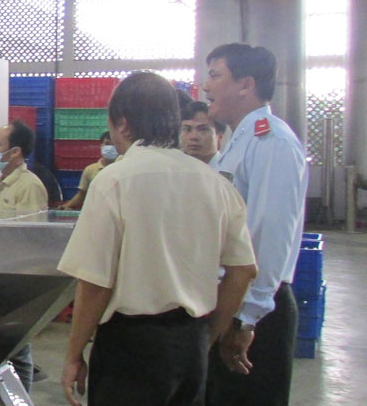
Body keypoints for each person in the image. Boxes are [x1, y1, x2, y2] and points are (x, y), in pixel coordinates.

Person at [57, 72, 257, 406]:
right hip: (192, 341)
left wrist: (74, 354)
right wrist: (209, 336)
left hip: (131, 349)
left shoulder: (114, 181)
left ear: (123, 124)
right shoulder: (216, 184)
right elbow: (243, 271)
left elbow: (94, 284)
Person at [203, 44, 308, 406]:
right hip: (232, 297)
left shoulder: (272, 141)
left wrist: (246, 318)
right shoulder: (239, 140)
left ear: (245, 84)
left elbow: (269, 235)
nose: (206, 86)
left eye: (215, 76)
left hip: (257, 306)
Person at [0, 120, 48, 389]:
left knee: (18, 349)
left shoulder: (29, 186)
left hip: (17, 276)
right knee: (5, 347)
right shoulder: (4, 182)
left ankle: (21, 399)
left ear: (15, 152)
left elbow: (33, 237)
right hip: (1, 271)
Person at [58, 131, 117, 210]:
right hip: (97, 211)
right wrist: (66, 206)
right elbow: (81, 195)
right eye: (107, 143)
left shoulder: (124, 168)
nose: (110, 147)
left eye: (114, 144)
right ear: (101, 145)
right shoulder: (90, 170)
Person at [180, 100, 226, 167]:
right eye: (187, 129)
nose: (194, 137)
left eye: (203, 130)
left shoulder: (229, 169)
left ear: (220, 136)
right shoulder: (173, 169)